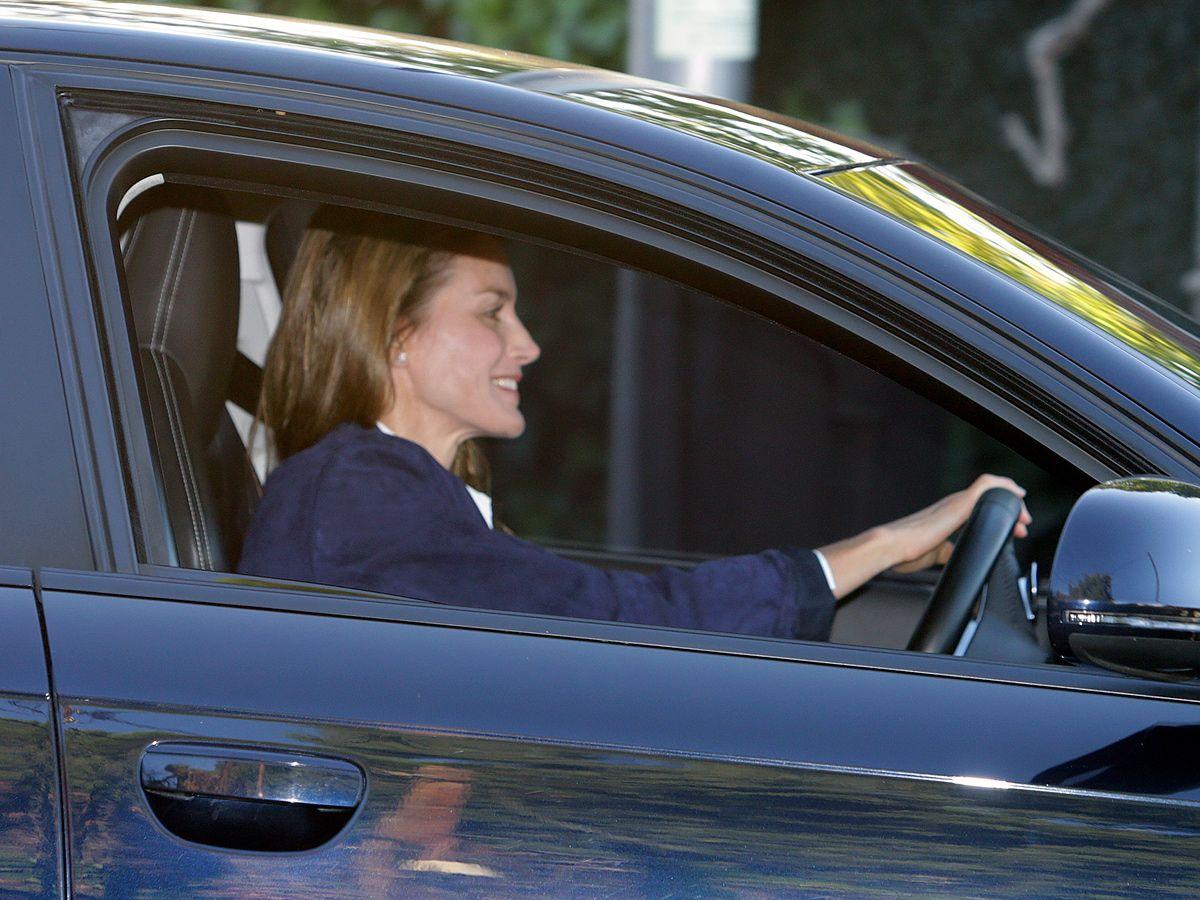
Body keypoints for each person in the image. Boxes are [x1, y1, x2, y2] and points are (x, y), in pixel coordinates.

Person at [238, 212, 1031, 642]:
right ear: (395, 335)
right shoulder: (359, 497)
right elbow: (613, 621)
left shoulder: (393, 496)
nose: (529, 344)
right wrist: (883, 543)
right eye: (492, 313)